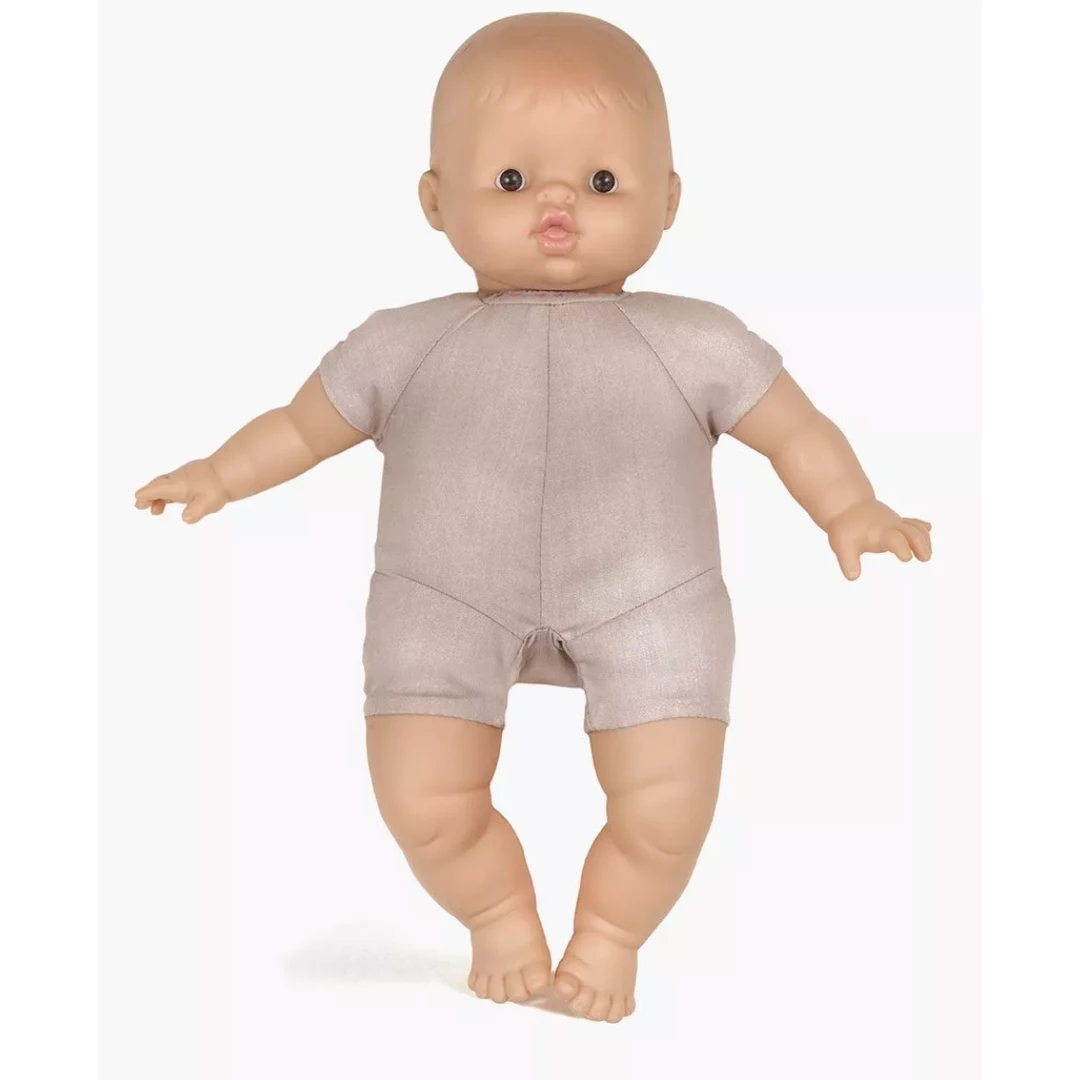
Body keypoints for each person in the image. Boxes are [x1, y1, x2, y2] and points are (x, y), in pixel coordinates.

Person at [134, 13, 931, 1023]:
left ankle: (612, 934)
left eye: (602, 181)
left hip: (654, 600)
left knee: (668, 810)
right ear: (436, 200)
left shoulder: (700, 341)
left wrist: (850, 506)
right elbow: (300, 428)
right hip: (441, 598)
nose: (558, 205)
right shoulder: (400, 345)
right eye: (512, 181)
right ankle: (497, 913)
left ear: (668, 198)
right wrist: (219, 472)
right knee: (424, 800)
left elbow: (796, 430)